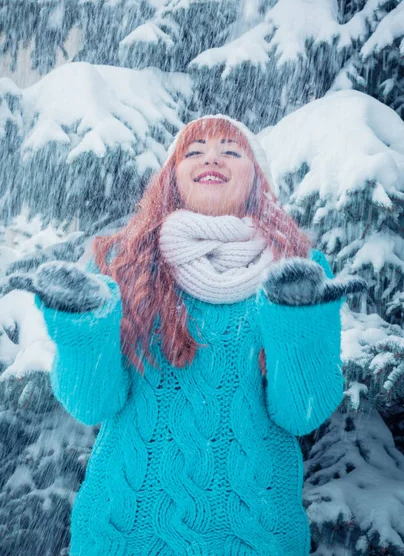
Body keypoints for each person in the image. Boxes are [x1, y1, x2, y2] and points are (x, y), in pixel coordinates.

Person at [11, 114, 367, 556]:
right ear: (172, 180)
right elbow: (91, 404)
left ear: (258, 179)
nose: (211, 157)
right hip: (122, 535)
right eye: (193, 151)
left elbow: (301, 414)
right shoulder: (124, 263)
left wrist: (296, 316)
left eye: (230, 150)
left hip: (255, 538)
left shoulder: (295, 269)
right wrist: (83, 322)